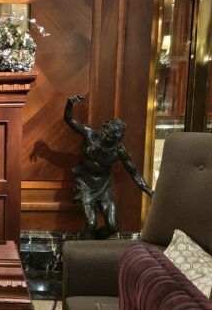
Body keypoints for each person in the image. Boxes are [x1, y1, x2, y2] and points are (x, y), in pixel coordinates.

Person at [64, 94, 152, 239]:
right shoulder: (90, 134)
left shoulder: (119, 151)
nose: (109, 139)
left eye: (114, 139)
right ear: (104, 129)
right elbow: (69, 119)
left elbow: (134, 174)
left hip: (104, 187)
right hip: (85, 183)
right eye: (109, 135)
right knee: (91, 224)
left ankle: (88, 242)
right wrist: (70, 103)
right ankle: (83, 248)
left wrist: (150, 192)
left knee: (113, 226)